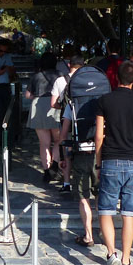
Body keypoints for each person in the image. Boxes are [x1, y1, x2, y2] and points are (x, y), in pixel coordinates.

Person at [95, 61, 133, 265]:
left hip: (110, 159)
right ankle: (126, 261)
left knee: (106, 210)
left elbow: (99, 135)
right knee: (129, 213)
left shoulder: (104, 101)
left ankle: (111, 254)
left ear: (116, 78)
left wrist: (98, 162)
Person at [59, 102, 97, 246]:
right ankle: (102, 229)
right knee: (100, 193)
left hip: (80, 153)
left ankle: (88, 235)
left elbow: (63, 136)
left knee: (83, 196)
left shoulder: (72, 105)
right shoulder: (103, 100)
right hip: (99, 153)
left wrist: (64, 158)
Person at [25, 51, 62, 182]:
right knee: (58, 140)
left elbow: (27, 95)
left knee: (44, 143)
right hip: (55, 106)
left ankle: (46, 171)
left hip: (38, 107)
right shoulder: (59, 75)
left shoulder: (36, 76)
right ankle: (55, 167)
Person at [51, 54, 85, 193]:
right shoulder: (86, 79)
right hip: (83, 121)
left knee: (67, 151)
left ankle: (66, 183)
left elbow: (53, 104)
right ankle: (83, 182)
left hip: (66, 120)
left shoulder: (60, 80)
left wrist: (66, 109)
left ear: (69, 65)